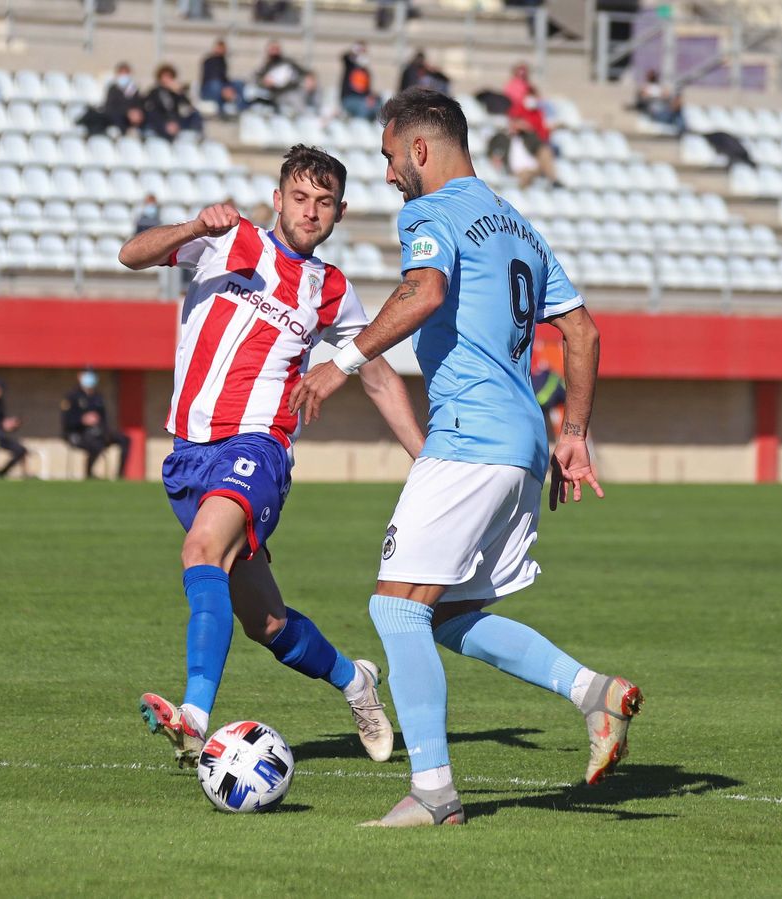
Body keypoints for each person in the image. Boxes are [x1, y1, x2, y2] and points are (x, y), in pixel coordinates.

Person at [288, 89, 640, 827]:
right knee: (446, 613)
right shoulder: (519, 225)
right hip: (523, 442)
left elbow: (424, 291)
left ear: (420, 149)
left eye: (388, 158)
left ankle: (434, 792)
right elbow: (584, 331)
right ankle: (592, 692)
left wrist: (339, 363)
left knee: (394, 608)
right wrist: (574, 431)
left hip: (470, 432)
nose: (387, 176)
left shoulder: (432, 213)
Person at [119, 145, 426, 770]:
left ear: (338, 213)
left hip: (259, 447)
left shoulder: (332, 290)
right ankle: (353, 680)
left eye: (324, 203)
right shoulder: (227, 242)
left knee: (201, 551)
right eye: (300, 197)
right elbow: (131, 255)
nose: (310, 212)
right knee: (267, 624)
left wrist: (427, 459)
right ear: (278, 197)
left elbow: (376, 378)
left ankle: (194, 717)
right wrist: (191, 227)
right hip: (188, 456)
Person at [60, 368, 131, 480]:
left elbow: (104, 418)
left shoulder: (98, 397)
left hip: (98, 432)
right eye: (86, 374)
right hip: (79, 433)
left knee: (125, 439)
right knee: (96, 445)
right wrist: (83, 420)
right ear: (79, 376)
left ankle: (120, 475)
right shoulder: (72, 396)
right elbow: (67, 421)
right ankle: (89, 474)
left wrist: (105, 429)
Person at [485, 114, 560, 189]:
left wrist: (529, 131)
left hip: (534, 167)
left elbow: (539, 145)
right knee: (526, 175)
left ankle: (553, 180)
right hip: (518, 170)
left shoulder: (526, 137)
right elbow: (493, 150)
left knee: (544, 151)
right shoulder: (501, 137)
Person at [140, 64, 201, 139]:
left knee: (196, 114)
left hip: (176, 121)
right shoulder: (154, 92)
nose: (167, 79)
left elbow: (187, 107)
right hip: (161, 123)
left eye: (170, 77)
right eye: (165, 77)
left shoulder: (176, 93)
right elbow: (152, 112)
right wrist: (165, 124)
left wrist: (180, 93)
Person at [249, 41, 302, 110]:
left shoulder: (288, 63)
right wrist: (264, 82)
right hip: (268, 95)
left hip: (286, 93)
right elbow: (255, 78)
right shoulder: (264, 66)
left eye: (276, 49)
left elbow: (301, 74)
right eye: (272, 49)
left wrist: (284, 84)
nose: (274, 52)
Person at [199, 39, 242, 119]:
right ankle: (221, 111)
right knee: (216, 85)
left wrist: (229, 87)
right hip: (209, 89)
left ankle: (241, 106)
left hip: (221, 86)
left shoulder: (223, 62)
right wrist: (224, 89)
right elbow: (211, 77)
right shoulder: (209, 61)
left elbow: (224, 78)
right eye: (219, 48)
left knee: (238, 83)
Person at [340, 43, 379, 121]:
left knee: (377, 106)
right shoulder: (350, 67)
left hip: (363, 99)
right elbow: (345, 57)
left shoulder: (366, 72)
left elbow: (367, 90)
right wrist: (353, 52)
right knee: (363, 107)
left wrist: (371, 98)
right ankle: (360, 127)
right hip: (349, 99)